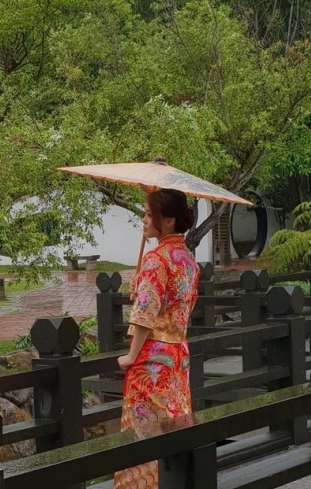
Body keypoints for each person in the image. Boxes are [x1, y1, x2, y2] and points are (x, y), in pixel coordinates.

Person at [114, 188, 200, 489]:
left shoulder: (156, 259)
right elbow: (177, 306)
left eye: (150, 214)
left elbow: (145, 316)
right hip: (178, 355)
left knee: (144, 433)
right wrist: (141, 289)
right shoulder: (188, 260)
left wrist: (131, 356)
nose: (144, 220)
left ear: (168, 221)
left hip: (152, 360)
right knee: (174, 425)